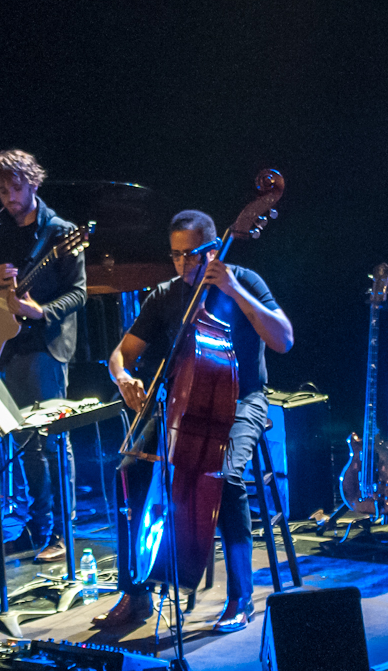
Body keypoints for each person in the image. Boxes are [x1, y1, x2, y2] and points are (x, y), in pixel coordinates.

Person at [96, 210, 294, 632]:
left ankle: (241, 598)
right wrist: (123, 377)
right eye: (176, 256)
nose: (184, 265)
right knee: (127, 471)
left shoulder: (244, 280)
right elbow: (120, 354)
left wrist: (234, 288)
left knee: (224, 476)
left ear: (213, 249)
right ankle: (135, 594)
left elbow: (283, 339)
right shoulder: (165, 295)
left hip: (243, 400)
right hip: (182, 405)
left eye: (193, 255)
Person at [0, 149, 87, 563]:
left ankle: (62, 533)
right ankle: (38, 527)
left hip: (46, 347)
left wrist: (41, 311)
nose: (7, 197)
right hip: (7, 345)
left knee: (51, 441)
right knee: (24, 442)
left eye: (14, 187)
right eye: (0, 190)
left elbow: (79, 292)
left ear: (33, 182)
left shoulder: (61, 233)